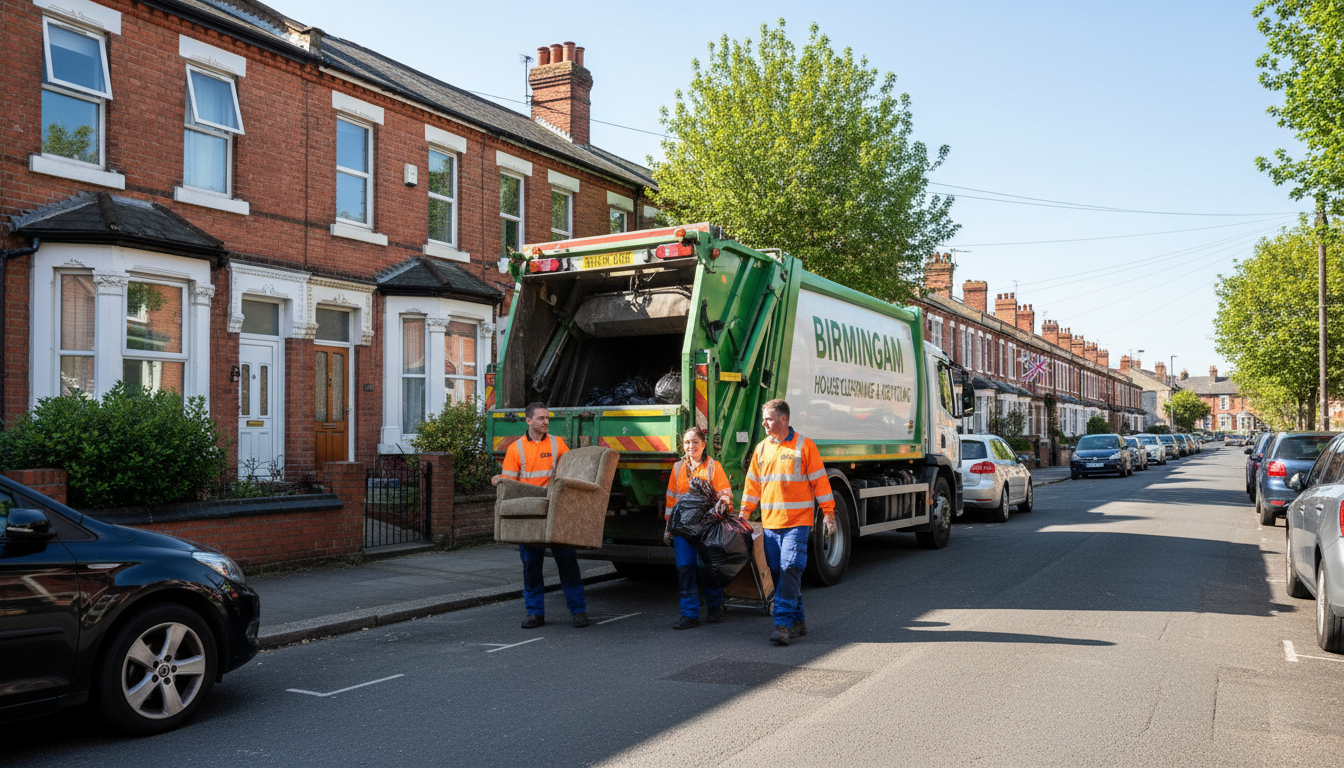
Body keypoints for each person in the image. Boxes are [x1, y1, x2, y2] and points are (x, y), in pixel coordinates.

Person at [739, 399, 836, 646]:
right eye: (763, 419)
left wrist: (829, 513)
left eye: (768, 419)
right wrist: (744, 513)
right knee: (779, 572)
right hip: (771, 524)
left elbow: (820, 483)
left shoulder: (805, 446)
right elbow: (752, 486)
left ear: (783, 419)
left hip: (797, 523)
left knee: (791, 567)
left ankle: (782, 624)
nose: (764, 423)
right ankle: (799, 621)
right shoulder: (761, 449)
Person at [492, 402, 589, 629]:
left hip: (556, 510)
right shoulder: (516, 449)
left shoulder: (558, 444)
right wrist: (498, 480)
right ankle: (535, 613)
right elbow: (510, 484)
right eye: (540, 418)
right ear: (528, 421)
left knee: (567, 561)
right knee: (531, 565)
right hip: (530, 514)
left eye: (547, 418)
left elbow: (570, 472)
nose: (546, 422)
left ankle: (578, 611)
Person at [663, 426, 734, 630]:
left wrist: (722, 504)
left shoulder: (713, 466)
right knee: (685, 568)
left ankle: (714, 603)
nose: (690, 446)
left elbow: (725, 494)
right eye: (687, 442)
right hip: (683, 528)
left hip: (706, 527)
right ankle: (689, 614)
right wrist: (669, 525)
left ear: (704, 445)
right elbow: (671, 498)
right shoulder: (677, 468)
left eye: (695, 442)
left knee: (706, 568)